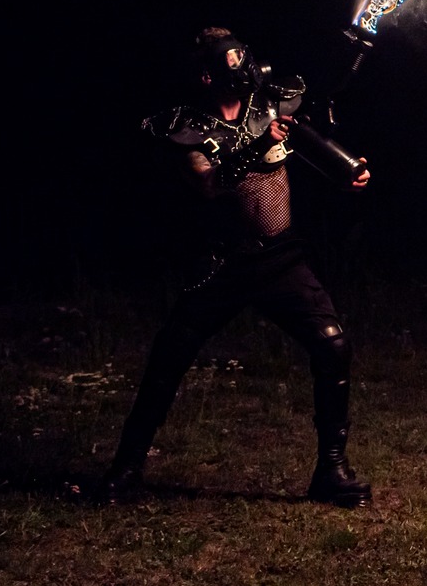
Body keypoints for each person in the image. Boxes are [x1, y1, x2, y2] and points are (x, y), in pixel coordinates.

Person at [102, 27, 374, 506]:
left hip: (281, 259)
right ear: (207, 78)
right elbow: (210, 185)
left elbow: (305, 147)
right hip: (221, 265)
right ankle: (125, 469)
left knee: (333, 345)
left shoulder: (269, 108)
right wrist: (254, 146)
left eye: (244, 57)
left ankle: (331, 470)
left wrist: (345, 174)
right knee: (169, 358)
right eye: (233, 62)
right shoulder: (187, 128)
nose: (247, 68)